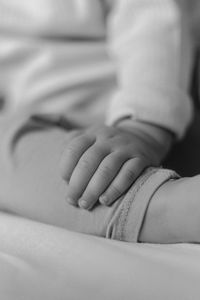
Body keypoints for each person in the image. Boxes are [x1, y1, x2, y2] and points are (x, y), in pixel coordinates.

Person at [0, 0, 196, 243]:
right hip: (53, 132)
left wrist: (144, 128)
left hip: (150, 112)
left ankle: (171, 207)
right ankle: (171, 205)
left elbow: (152, 18)